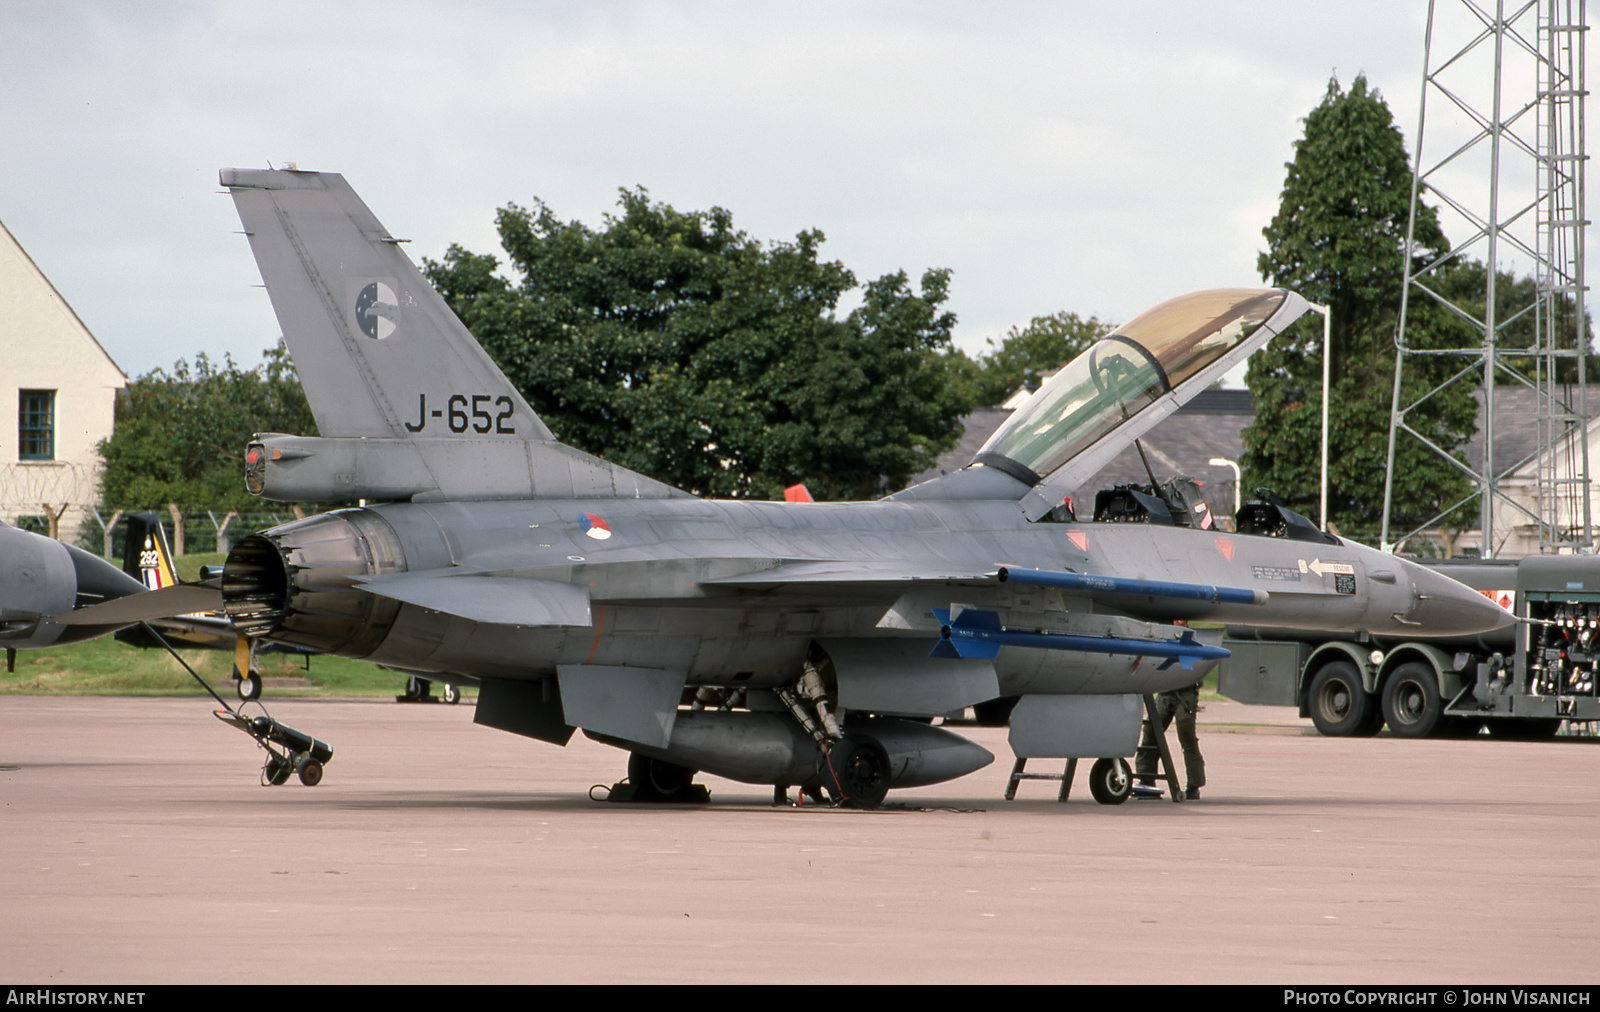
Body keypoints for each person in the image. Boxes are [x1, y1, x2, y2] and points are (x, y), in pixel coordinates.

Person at [1135, 679, 1206, 800]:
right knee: (1150, 734)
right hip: (1165, 692)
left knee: (1187, 737)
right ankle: (1146, 780)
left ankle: (1194, 786)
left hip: (1186, 692)